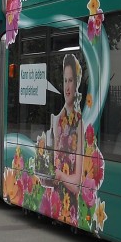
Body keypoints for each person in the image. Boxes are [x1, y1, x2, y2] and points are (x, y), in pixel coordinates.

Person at [53, 54, 84, 195]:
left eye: (70, 80)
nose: (67, 87)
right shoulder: (57, 120)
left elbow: (77, 183)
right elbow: (52, 169)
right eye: (65, 81)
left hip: (70, 202)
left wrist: (60, 176)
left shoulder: (79, 123)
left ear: (76, 83)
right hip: (56, 196)